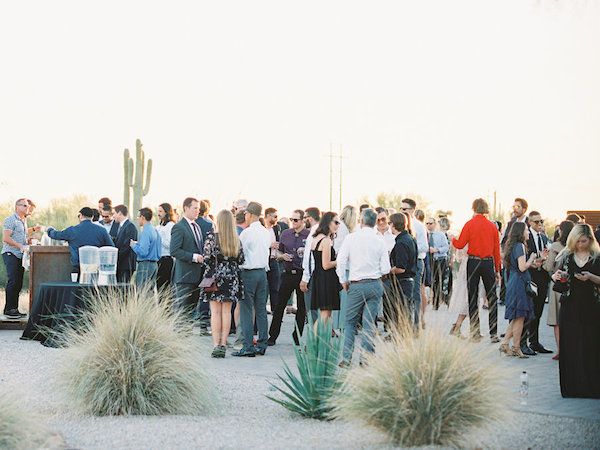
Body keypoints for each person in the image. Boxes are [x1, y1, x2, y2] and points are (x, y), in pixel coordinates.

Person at [551, 224, 600, 398]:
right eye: (578, 241)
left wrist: (591, 277)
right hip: (570, 306)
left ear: (590, 240)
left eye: (584, 241)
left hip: (591, 307)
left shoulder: (596, 257)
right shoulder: (566, 256)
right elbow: (555, 274)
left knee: (591, 345)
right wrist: (556, 276)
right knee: (570, 345)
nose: (581, 244)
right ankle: (572, 387)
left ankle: (592, 387)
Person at [337, 208, 391, 367]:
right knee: (369, 323)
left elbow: (341, 261)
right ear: (375, 222)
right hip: (374, 284)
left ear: (361, 221)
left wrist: (343, 280)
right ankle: (366, 359)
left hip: (356, 284)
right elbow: (386, 268)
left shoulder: (351, 238)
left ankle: (346, 358)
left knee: (350, 323)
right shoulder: (379, 240)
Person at [452, 198, 501, 342]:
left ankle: (475, 332)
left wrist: (453, 239)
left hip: (473, 262)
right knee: (492, 298)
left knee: (472, 297)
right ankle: (493, 333)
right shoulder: (492, 227)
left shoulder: (469, 224)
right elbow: (496, 250)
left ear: (474, 208)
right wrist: (497, 269)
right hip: (487, 263)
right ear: (486, 209)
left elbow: (460, 245)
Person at [203, 210, 244, 358]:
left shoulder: (211, 238)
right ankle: (223, 343)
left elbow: (206, 257)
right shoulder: (235, 239)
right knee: (227, 312)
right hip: (231, 278)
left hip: (214, 278)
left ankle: (215, 345)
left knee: (215, 312)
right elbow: (241, 260)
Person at [233, 202, 271, 357]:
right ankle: (262, 344)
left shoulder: (247, 233)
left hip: (248, 273)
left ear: (250, 214)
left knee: (246, 310)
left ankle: (248, 345)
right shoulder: (265, 232)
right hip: (262, 273)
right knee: (261, 309)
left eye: (246, 214)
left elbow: (239, 253)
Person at [268, 209, 310, 346]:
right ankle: (272, 336)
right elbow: (278, 251)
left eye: (296, 220)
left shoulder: (308, 235)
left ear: (303, 220)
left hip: (302, 274)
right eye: (292, 220)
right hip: (287, 273)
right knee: (280, 305)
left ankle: (297, 336)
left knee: (302, 308)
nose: (293, 222)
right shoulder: (286, 234)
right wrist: (281, 256)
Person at [499, 222, 539, 358]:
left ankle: (505, 344)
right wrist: (532, 258)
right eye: (526, 230)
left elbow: (519, 266)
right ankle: (516, 347)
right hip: (519, 284)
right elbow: (522, 267)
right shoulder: (520, 246)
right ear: (521, 232)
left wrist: (534, 263)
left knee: (517, 317)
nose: (528, 232)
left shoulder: (512, 246)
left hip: (515, 281)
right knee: (520, 317)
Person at [46, 207, 114, 273]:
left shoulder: (72, 230)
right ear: (92, 217)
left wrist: (49, 229)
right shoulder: (102, 230)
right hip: (96, 267)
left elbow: (56, 235)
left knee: (76, 283)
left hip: (78, 267)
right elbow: (111, 247)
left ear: (81, 216)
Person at [521, 211, 551, 355]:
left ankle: (534, 341)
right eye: (537, 222)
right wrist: (537, 260)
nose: (540, 224)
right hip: (529, 277)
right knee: (527, 311)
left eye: (541, 221)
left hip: (542, 278)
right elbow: (524, 258)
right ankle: (522, 342)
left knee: (538, 311)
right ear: (530, 223)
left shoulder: (545, 237)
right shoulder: (526, 239)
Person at [543, 220, 575, 361]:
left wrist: (542, 261)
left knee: (557, 320)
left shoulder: (556, 245)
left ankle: (561, 350)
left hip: (557, 285)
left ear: (561, 231)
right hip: (572, 285)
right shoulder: (575, 246)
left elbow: (548, 266)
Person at [170, 197, 205, 319]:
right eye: (195, 208)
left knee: (190, 315)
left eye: (198, 208)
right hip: (184, 277)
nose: (197, 211)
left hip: (197, 277)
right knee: (181, 315)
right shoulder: (179, 227)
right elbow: (174, 251)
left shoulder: (197, 226)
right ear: (186, 208)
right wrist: (194, 257)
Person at [310, 212, 341, 327]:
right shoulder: (326, 240)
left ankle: (319, 342)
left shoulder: (316, 238)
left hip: (319, 277)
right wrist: (340, 261)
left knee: (325, 314)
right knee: (325, 314)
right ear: (328, 222)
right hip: (326, 279)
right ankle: (313, 343)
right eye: (336, 222)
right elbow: (326, 264)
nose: (338, 225)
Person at [387, 212, 417, 329]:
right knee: (406, 311)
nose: (389, 225)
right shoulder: (410, 238)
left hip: (402, 282)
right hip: (408, 281)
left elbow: (401, 268)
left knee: (401, 312)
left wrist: (387, 271)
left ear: (394, 224)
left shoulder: (401, 243)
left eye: (389, 223)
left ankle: (401, 336)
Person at [400, 199, 428, 327]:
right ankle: (403, 325)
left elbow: (425, 246)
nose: (402, 211)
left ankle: (416, 324)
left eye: (404, 209)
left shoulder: (419, 226)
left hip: (416, 262)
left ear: (412, 210)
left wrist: (411, 248)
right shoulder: (399, 223)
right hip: (402, 263)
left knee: (415, 294)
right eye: (401, 208)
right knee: (402, 295)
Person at [2, 199, 31, 318]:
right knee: (13, 281)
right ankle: (9, 310)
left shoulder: (23, 221)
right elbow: (6, 238)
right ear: (17, 207)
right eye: (24, 205)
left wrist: (27, 241)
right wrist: (21, 246)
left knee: (18, 283)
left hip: (20, 255)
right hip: (10, 253)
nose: (27, 208)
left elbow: (20, 235)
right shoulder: (10, 219)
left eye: (27, 206)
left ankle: (14, 309)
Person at [333, 205, 358, 331]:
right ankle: (338, 326)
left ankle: (338, 326)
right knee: (342, 299)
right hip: (342, 267)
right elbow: (339, 248)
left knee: (343, 299)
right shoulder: (343, 228)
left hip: (343, 266)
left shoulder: (342, 227)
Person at [300, 207, 321, 324]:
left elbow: (309, 258)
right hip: (321, 274)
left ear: (310, 218)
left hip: (312, 275)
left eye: (305, 218)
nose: (304, 221)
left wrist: (305, 279)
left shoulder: (313, 233)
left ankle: (314, 340)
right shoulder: (323, 230)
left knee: (312, 311)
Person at [131, 207, 161, 289]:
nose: (137, 219)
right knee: (150, 293)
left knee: (141, 292)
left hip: (145, 265)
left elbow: (143, 252)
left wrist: (134, 245)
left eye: (138, 217)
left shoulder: (145, 231)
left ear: (142, 217)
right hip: (154, 265)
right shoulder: (154, 230)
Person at [426, 217, 450, 310]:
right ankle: (433, 299)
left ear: (435, 224)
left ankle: (436, 302)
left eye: (430, 223)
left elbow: (446, 247)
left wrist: (437, 250)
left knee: (439, 281)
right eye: (427, 223)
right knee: (431, 281)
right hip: (429, 260)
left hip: (439, 259)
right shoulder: (425, 234)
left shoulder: (440, 234)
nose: (429, 225)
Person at [113, 204, 138, 283]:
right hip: (122, 265)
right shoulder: (121, 226)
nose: (113, 216)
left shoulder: (130, 227)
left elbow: (126, 246)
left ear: (120, 213)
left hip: (126, 265)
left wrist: (116, 258)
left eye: (114, 213)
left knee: (123, 289)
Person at [264, 207, 282, 313]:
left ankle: (275, 310)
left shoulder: (276, 228)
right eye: (274, 216)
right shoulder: (262, 228)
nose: (276, 219)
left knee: (275, 287)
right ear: (267, 216)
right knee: (264, 288)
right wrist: (269, 245)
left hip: (274, 259)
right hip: (265, 260)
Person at [155, 203, 175, 292]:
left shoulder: (170, 225)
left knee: (164, 287)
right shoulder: (159, 226)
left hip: (166, 260)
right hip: (158, 259)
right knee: (158, 287)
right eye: (158, 211)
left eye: (160, 211)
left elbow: (169, 244)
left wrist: (158, 237)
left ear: (166, 212)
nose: (158, 213)